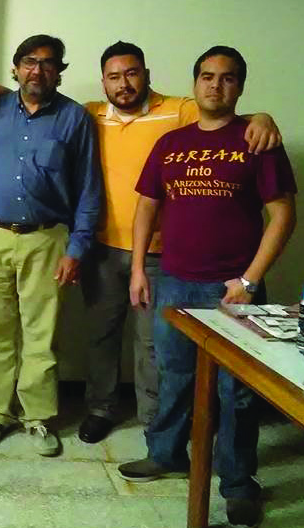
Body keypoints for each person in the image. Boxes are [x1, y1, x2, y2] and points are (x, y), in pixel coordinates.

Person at [118, 46, 296, 528]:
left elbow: (282, 215)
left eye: (228, 78)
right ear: (195, 83)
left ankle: (238, 483)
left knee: (236, 392)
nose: (216, 85)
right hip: (174, 281)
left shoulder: (259, 140)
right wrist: (138, 269)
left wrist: (250, 280)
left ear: (240, 86)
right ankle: (167, 454)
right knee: (173, 375)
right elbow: (147, 207)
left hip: (234, 291)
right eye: (207, 76)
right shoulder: (171, 144)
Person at [76, 41, 281, 444]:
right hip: (101, 248)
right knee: (101, 336)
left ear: (147, 75)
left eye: (132, 73)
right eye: (114, 76)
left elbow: (221, 110)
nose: (124, 83)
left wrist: (264, 116)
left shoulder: (180, 109)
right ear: (103, 81)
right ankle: (101, 409)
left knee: (153, 346)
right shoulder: (89, 115)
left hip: (160, 256)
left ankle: (155, 421)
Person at [0, 34, 100, 456]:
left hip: (48, 239)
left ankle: (38, 418)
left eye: (48, 63)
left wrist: (76, 249)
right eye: (29, 61)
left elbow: (88, 190)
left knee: (41, 335)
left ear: (59, 71)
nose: (37, 70)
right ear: (15, 67)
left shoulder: (75, 120)